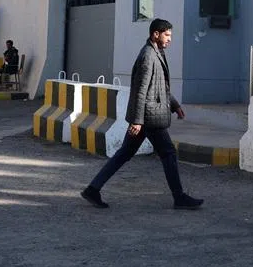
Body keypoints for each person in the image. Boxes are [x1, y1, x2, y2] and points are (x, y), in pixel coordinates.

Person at [80, 19, 203, 210]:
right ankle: (179, 197)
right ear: (156, 34)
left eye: (170, 35)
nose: (170, 39)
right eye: (167, 35)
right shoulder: (148, 56)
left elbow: (160, 87)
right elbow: (140, 90)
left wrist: (175, 104)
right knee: (168, 152)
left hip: (147, 116)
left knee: (124, 153)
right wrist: (137, 121)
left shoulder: (156, 53)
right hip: (150, 118)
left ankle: (93, 189)